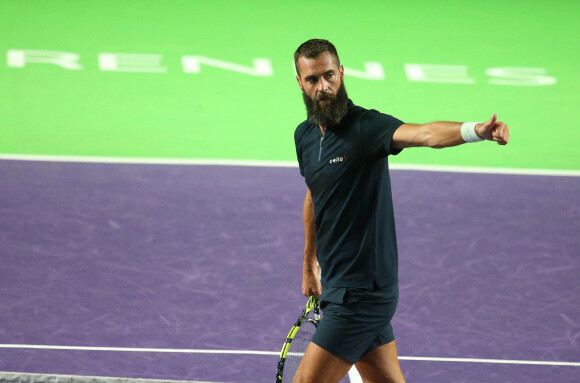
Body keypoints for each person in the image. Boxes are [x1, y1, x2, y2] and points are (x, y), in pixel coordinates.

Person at [292, 39, 509, 383]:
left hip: (362, 292)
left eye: (329, 75)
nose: (324, 87)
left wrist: (475, 132)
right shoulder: (304, 136)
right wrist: (309, 262)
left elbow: (425, 134)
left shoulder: (367, 127)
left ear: (342, 73)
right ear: (300, 82)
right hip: (337, 284)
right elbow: (314, 193)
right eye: (313, 79)